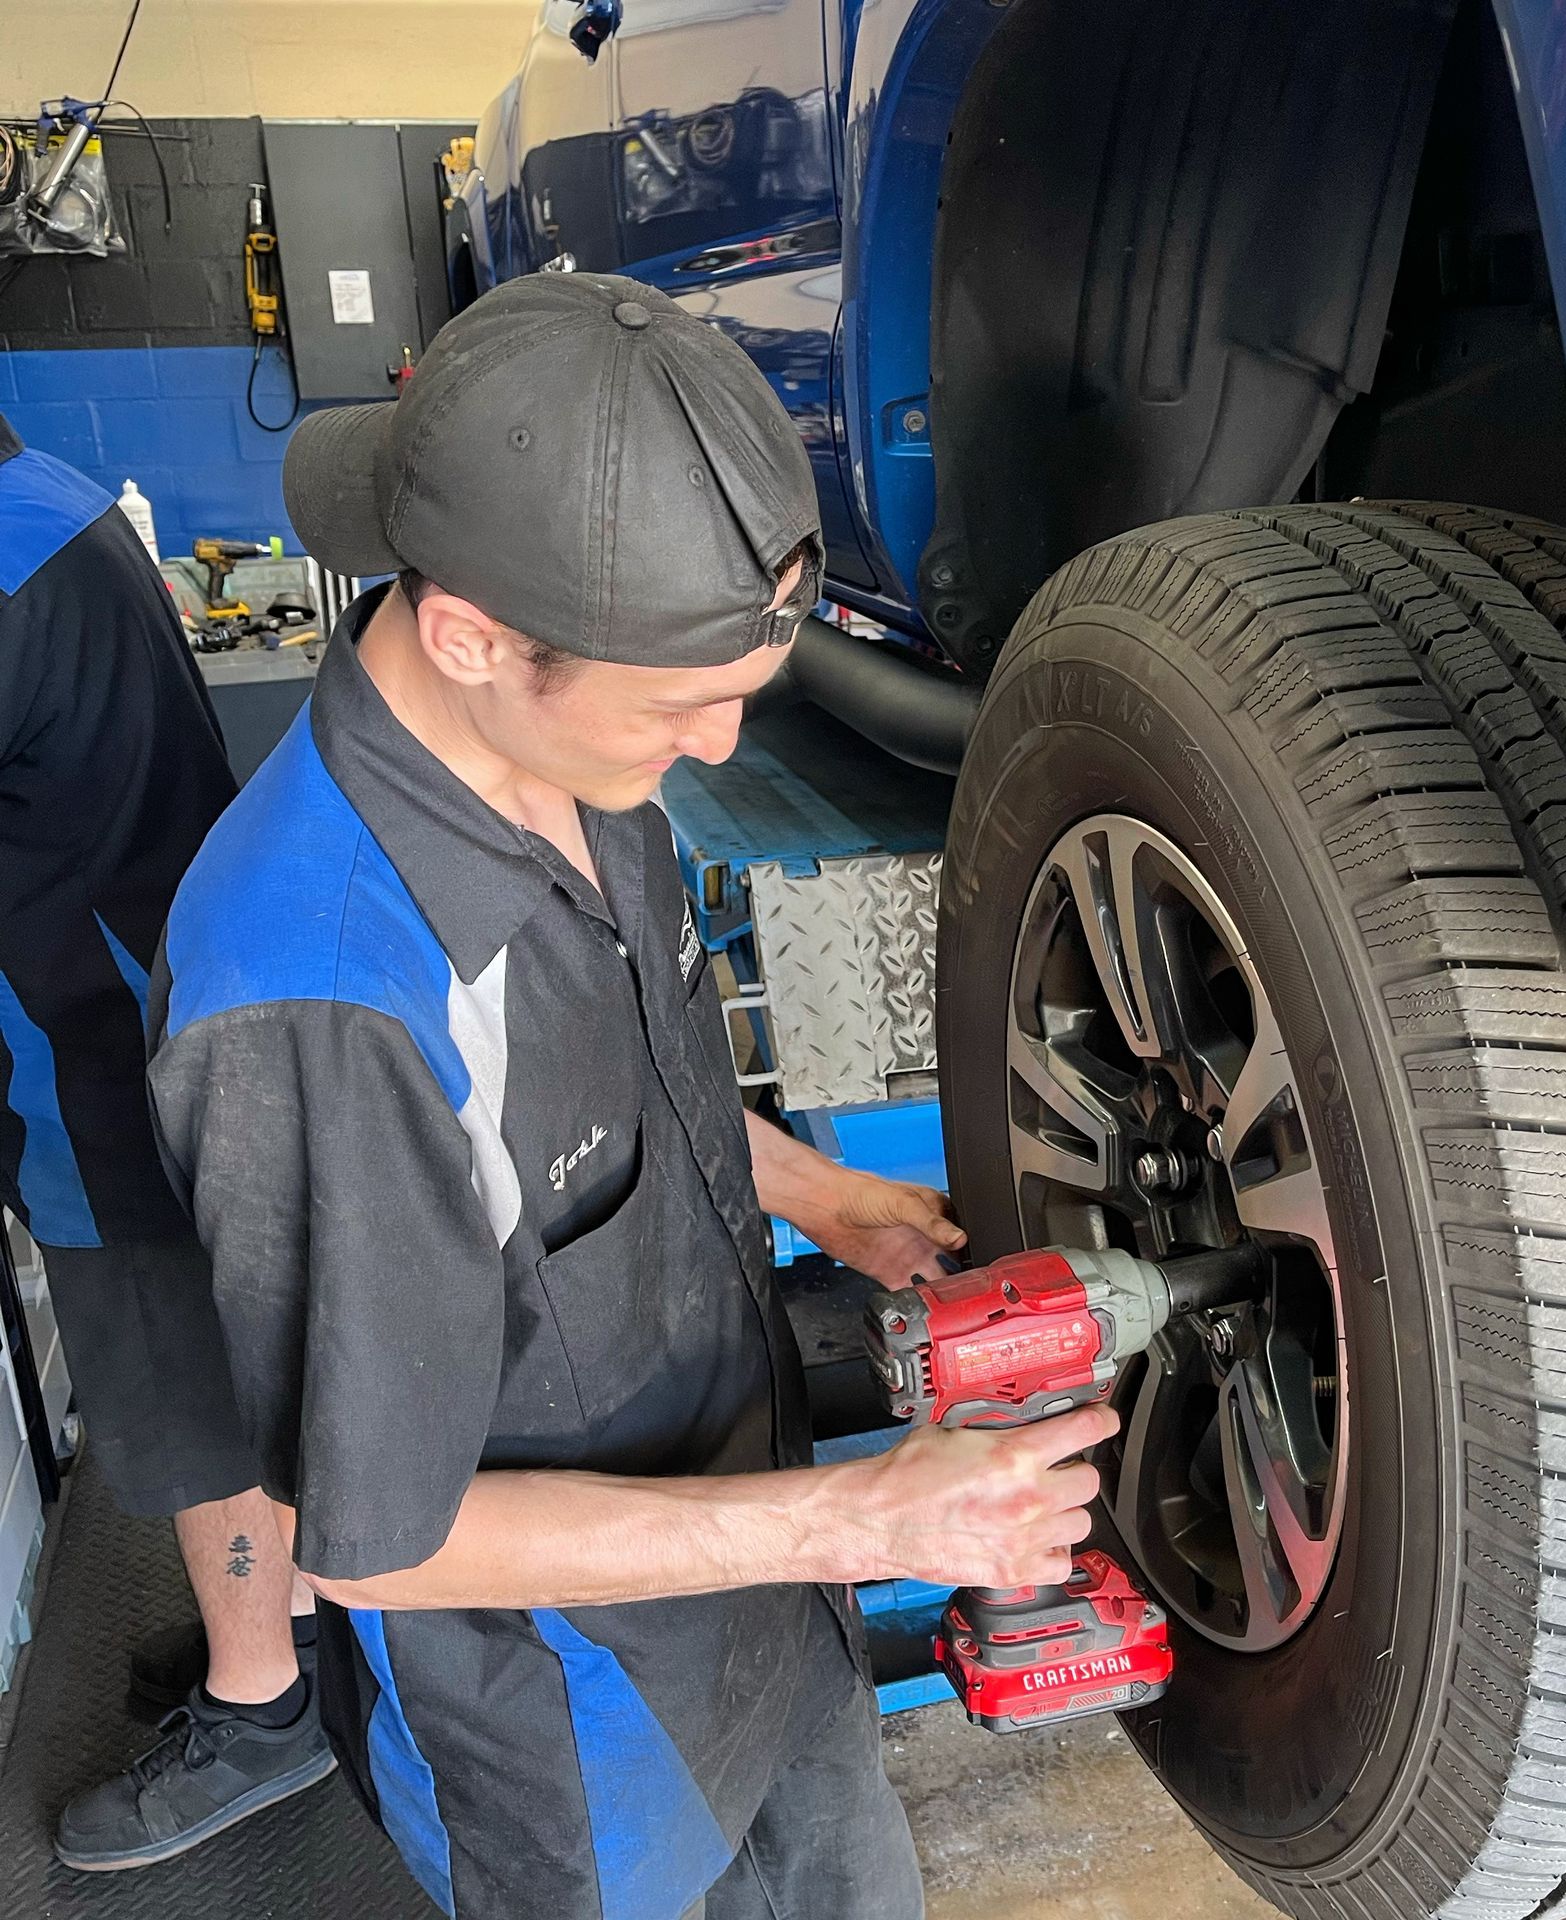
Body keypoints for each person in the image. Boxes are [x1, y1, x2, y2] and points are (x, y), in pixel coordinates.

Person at [146, 273, 1114, 1920]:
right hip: (586, 1735)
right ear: (468, 636)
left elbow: (587, 1094)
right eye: (683, 707)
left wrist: (815, 1191)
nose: (722, 740)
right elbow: (382, 1543)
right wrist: (855, 1519)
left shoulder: (584, 766)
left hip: (771, 1595)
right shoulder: (318, 998)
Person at [0, 413, 331, 1871]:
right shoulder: (41, 500)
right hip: (147, 998)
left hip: (96, 1062)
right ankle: (291, 1641)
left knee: (184, 1393)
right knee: (227, 1365)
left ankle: (264, 1705)